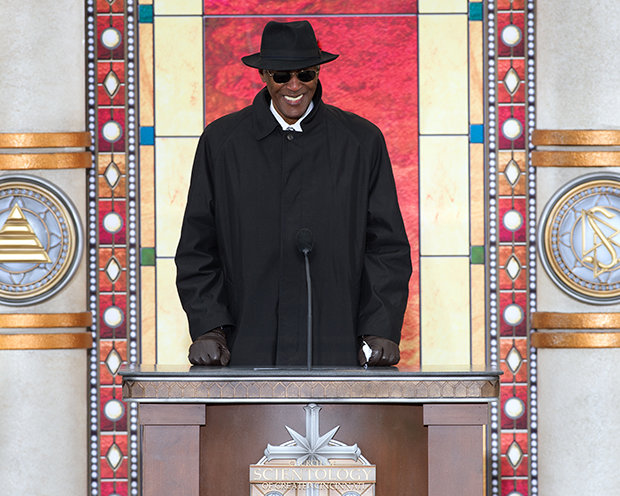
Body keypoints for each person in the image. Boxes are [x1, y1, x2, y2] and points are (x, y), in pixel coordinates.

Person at [175, 20, 411, 367]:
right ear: (263, 75)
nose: (295, 86)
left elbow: (387, 248)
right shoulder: (222, 143)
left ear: (318, 73)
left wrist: (379, 329)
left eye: (306, 74)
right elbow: (197, 248)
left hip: (337, 346)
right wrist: (210, 329)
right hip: (247, 347)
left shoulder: (361, 142)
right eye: (282, 76)